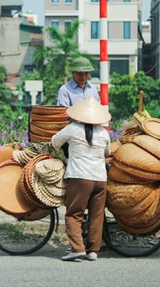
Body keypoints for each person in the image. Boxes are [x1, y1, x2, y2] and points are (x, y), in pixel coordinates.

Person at [51, 96, 111, 262]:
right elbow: (107, 153)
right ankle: (93, 251)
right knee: (96, 215)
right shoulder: (103, 132)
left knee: (73, 214)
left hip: (79, 178)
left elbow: (55, 142)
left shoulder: (72, 128)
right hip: (100, 178)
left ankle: (77, 248)